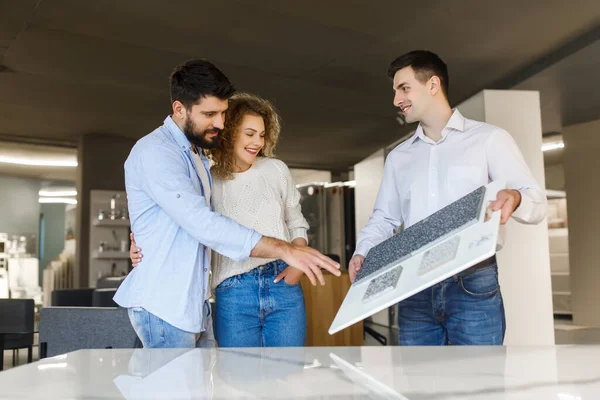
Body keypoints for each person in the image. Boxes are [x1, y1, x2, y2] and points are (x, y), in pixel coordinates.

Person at [114, 60, 340, 349]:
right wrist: (286, 249)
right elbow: (203, 223)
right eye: (211, 114)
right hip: (168, 302)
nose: (220, 123)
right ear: (179, 109)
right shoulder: (158, 152)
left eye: (222, 114)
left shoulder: (193, 155)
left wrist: (145, 242)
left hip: (195, 303)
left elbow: (184, 223)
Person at [349, 50, 546, 346]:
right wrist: (363, 250)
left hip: (472, 283)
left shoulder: (489, 139)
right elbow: (385, 218)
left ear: (432, 85)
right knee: (420, 388)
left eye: (404, 88)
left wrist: (515, 197)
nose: (396, 100)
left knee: (479, 387)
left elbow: (537, 202)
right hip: (413, 286)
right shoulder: (399, 158)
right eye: (395, 91)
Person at [132, 92, 309, 347]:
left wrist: (298, 263)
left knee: (288, 375)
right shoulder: (208, 178)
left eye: (261, 135)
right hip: (233, 291)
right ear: (230, 133)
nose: (257, 142)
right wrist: (141, 244)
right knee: (237, 380)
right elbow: (189, 221)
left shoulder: (276, 170)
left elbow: (296, 221)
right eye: (249, 134)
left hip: (283, 282)